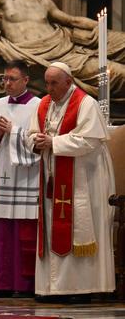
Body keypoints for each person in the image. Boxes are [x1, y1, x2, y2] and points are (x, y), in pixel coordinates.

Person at [27, 62, 115, 303]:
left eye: (54, 83)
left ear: (68, 81)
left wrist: (53, 143)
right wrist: (36, 141)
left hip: (84, 176)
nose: (49, 88)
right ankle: (50, 288)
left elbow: (90, 140)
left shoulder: (86, 104)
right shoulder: (45, 104)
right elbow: (30, 133)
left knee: (78, 224)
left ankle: (79, 288)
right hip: (52, 176)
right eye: (46, 83)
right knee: (52, 226)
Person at [0, 60, 41, 297]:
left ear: (25, 80)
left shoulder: (39, 106)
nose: (7, 83)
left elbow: (40, 139)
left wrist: (12, 131)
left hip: (26, 178)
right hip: (2, 174)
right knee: (1, 231)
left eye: (12, 79)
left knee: (24, 232)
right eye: (5, 78)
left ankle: (24, 285)